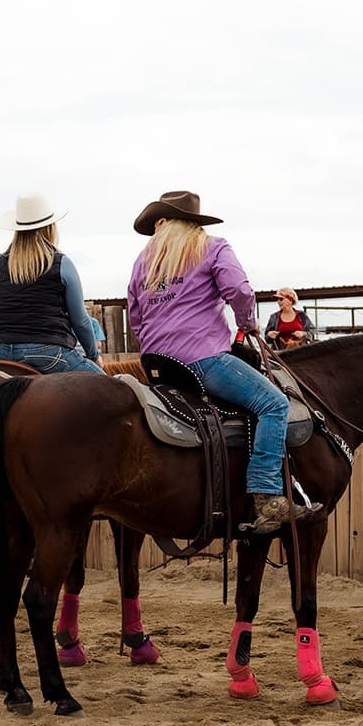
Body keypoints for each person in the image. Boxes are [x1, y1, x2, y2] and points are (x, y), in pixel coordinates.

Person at [125, 191, 317, 534]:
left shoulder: (145, 261)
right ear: (195, 223)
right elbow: (240, 292)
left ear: (165, 222)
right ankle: (267, 496)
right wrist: (247, 323)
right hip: (203, 360)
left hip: (158, 366)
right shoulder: (211, 246)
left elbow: (136, 317)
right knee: (273, 403)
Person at [0, 192, 104, 375]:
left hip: (0, 353)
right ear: (50, 227)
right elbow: (81, 321)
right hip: (49, 353)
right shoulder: (62, 264)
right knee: (116, 392)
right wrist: (93, 355)